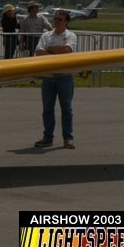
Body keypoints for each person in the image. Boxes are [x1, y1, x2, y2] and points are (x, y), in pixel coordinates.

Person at [34, 10, 77, 149]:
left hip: (65, 76)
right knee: (47, 109)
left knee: (66, 109)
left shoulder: (71, 35)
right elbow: (39, 52)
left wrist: (50, 49)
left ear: (66, 22)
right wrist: (55, 51)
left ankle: (68, 138)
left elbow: (67, 50)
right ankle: (47, 138)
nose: (56, 21)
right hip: (48, 77)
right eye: (55, 18)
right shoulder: (46, 35)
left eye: (60, 19)